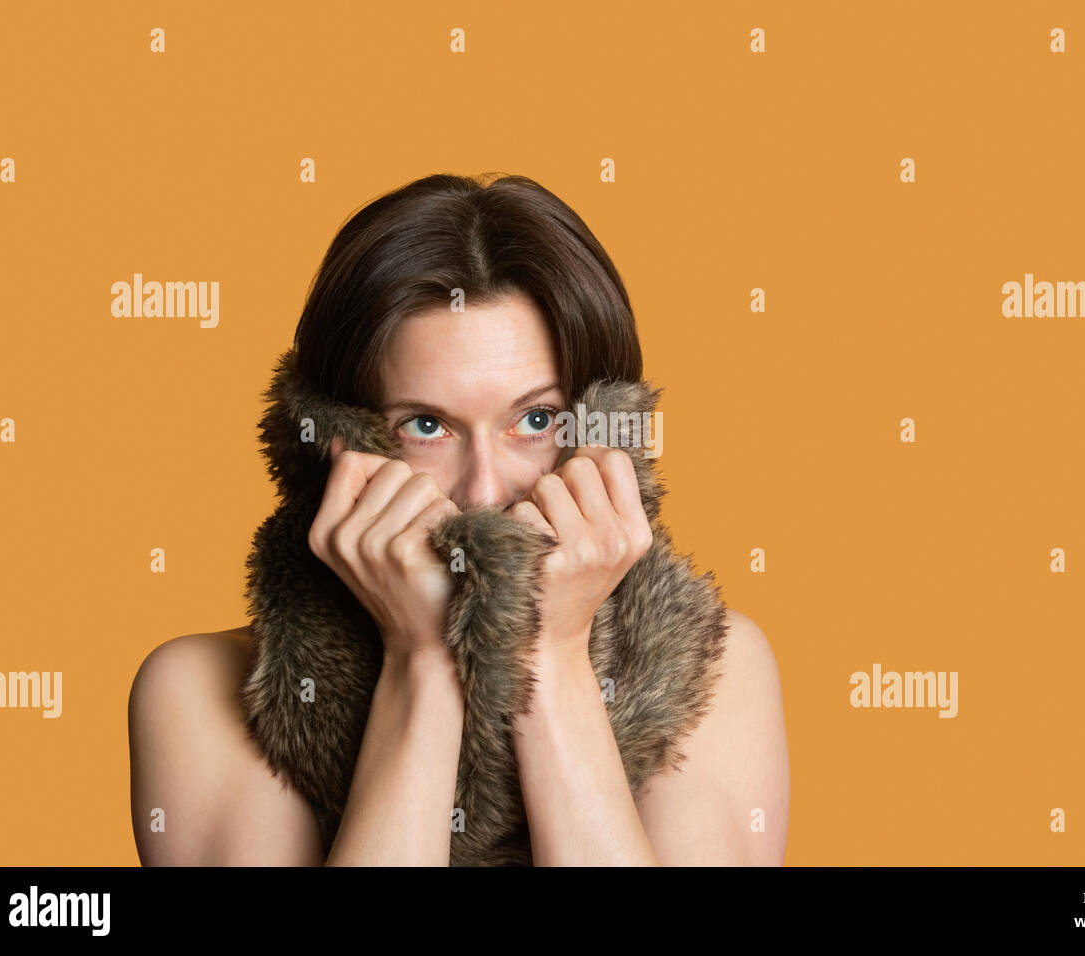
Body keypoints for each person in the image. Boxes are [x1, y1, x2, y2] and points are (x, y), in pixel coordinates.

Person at [127, 172, 790, 865]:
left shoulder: (716, 668)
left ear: (608, 433)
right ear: (341, 444)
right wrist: (423, 663)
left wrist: (552, 657)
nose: (483, 491)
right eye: (426, 425)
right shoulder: (198, 691)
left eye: (535, 420)